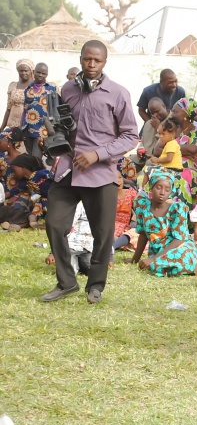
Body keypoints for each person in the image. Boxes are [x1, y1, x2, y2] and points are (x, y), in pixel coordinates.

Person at [43, 40, 138, 304]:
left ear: (104, 62)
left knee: (103, 232)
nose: (91, 64)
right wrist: (54, 137)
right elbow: (62, 124)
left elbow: (131, 135)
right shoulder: (68, 90)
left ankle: (95, 286)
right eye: (87, 59)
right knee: (54, 224)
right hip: (68, 170)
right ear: (81, 59)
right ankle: (66, 282)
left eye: (97, 60)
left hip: (101, 173)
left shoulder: (118, 93)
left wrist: (98, 154)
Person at [129, 170, 197, 277]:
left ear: (171, 191)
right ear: (150, 187)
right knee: (158, 266)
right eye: (158, 187)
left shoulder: (177, 209)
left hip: (178, 247)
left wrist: (154, 259)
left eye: (167, 189)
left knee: (166, 263)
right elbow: (143, 234)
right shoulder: (143, 207)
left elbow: (179, 239)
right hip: (158, 250)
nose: (162, 192)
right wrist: (134, 260)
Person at [152, 98, 197, 206]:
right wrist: (184, 150)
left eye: (175, 111)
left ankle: (180, 214)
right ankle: (153, 215)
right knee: (152, 173)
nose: (171, 114)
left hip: (189, 167)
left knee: (180, 176)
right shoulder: (171, 128)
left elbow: (193, 149)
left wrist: (168, 148)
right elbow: (156, 151)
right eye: (172, 111)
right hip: (168, 164)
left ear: (186, 115)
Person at [21, 62, 57, 158]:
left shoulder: (52, 89)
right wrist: (21, 127)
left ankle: (39, 173)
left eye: (43, 73)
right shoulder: (28, 89)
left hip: (42, 130)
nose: (40, 75)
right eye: (38, 72)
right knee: (29, 158)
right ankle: (34, 173)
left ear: (47, 75)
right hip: (27, 129)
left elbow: (55, 110)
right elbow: (25, 110)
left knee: (36, 158)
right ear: (33, 72)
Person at [2, 59, 34, 131]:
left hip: (28, 125)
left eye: (26, 71)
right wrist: (2, 127)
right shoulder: (13, 86)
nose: (23, 73)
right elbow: (8, 108)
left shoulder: (35, 86)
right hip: (12, 125)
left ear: (31, 71)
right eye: (21, 71)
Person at [136, 97, 168, 162]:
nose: (155, 115)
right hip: (143, 158)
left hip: (159, 161)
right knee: (123, 162)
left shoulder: (172, 123)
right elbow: (142, 142)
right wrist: (139, 150)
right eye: (152, 113)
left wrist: (158, 128)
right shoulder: (148, 123)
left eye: (157, 111)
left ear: (164, 106)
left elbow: (169, 144)